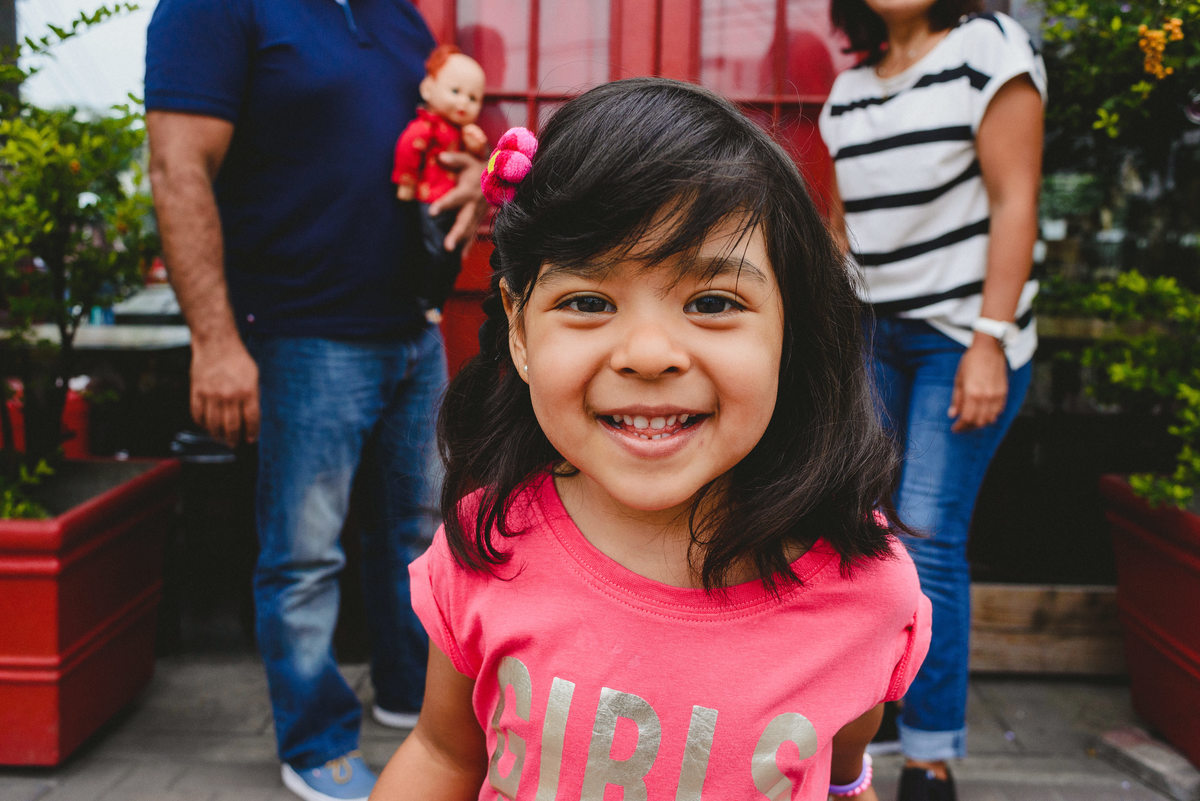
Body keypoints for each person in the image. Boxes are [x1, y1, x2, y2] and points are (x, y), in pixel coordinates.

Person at [368, 76, 932, 801]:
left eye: (713, 301)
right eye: (588, 300)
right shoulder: (487, 540)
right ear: (518, 326)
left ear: (793, 331)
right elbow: (443, 754)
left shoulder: (865, 591)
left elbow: (845, 776)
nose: (648, 353)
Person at [143, 1, 485, 799]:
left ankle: (411, 699)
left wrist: (470, 172)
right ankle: (315, 741)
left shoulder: (394, 15)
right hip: (300, 328)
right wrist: (215, 341)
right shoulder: (212, 8)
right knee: (304, 554)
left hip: (412, 323)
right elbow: (176, 167)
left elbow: (427, 128)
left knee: (422, 533)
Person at [819, 3, 1045, 799]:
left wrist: (988, 338)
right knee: (861, 526)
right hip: (873, 335)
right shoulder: (847, 94)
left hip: (962, 334)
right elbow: (846, 233)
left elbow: (1017, 199)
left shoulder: (988, 50)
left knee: (930, 532)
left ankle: (930, 755)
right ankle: (854, 740)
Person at [392, 44, 489, 323]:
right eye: (455, 92)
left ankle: (435, 301)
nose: (463, 103)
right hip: (428, 198)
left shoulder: (462, 132)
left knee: (451, 253)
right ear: (427, 90)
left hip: (453, 201)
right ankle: (423, 298)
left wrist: (478, 149)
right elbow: (408, 150)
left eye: (473, 98)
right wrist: (406, 183)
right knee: (430, 250)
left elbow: (474, 160)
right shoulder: (426, 127)